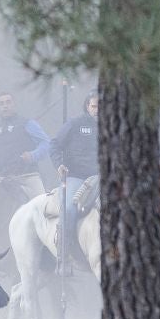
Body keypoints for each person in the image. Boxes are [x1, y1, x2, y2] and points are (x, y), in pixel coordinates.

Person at [51, 91, 100, 276]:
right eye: (94, 106)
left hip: (101, 179)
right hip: (77, 178)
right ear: (87, 106)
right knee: (70, 208)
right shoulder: (75, 124)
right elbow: (54, 144)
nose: (98, 111)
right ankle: (63, 257)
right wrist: (59, 165)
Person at [0, 92, 52, 199]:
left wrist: (33, 155)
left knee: (43, 206)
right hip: (4, 178)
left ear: (14, 104)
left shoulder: (27, 123)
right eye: (2, 103)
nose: (5, 105)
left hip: (28, 177)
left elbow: (46, 143)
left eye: (8, 102)